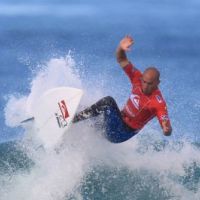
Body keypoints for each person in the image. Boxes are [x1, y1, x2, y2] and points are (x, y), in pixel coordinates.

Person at [73, 35, 172, 143]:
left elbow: (166, 125)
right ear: (142, 78)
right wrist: (121, 48)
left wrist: (166, 130)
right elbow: (121, 59)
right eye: (144, 81)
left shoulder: (158, 103)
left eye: (150, 84)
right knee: (87, 111)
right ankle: (71, 123)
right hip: (116, 120)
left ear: (158, 83)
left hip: (121, 133)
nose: (145, 86)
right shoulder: (137, 78)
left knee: (108, 102)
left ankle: (73, 119)